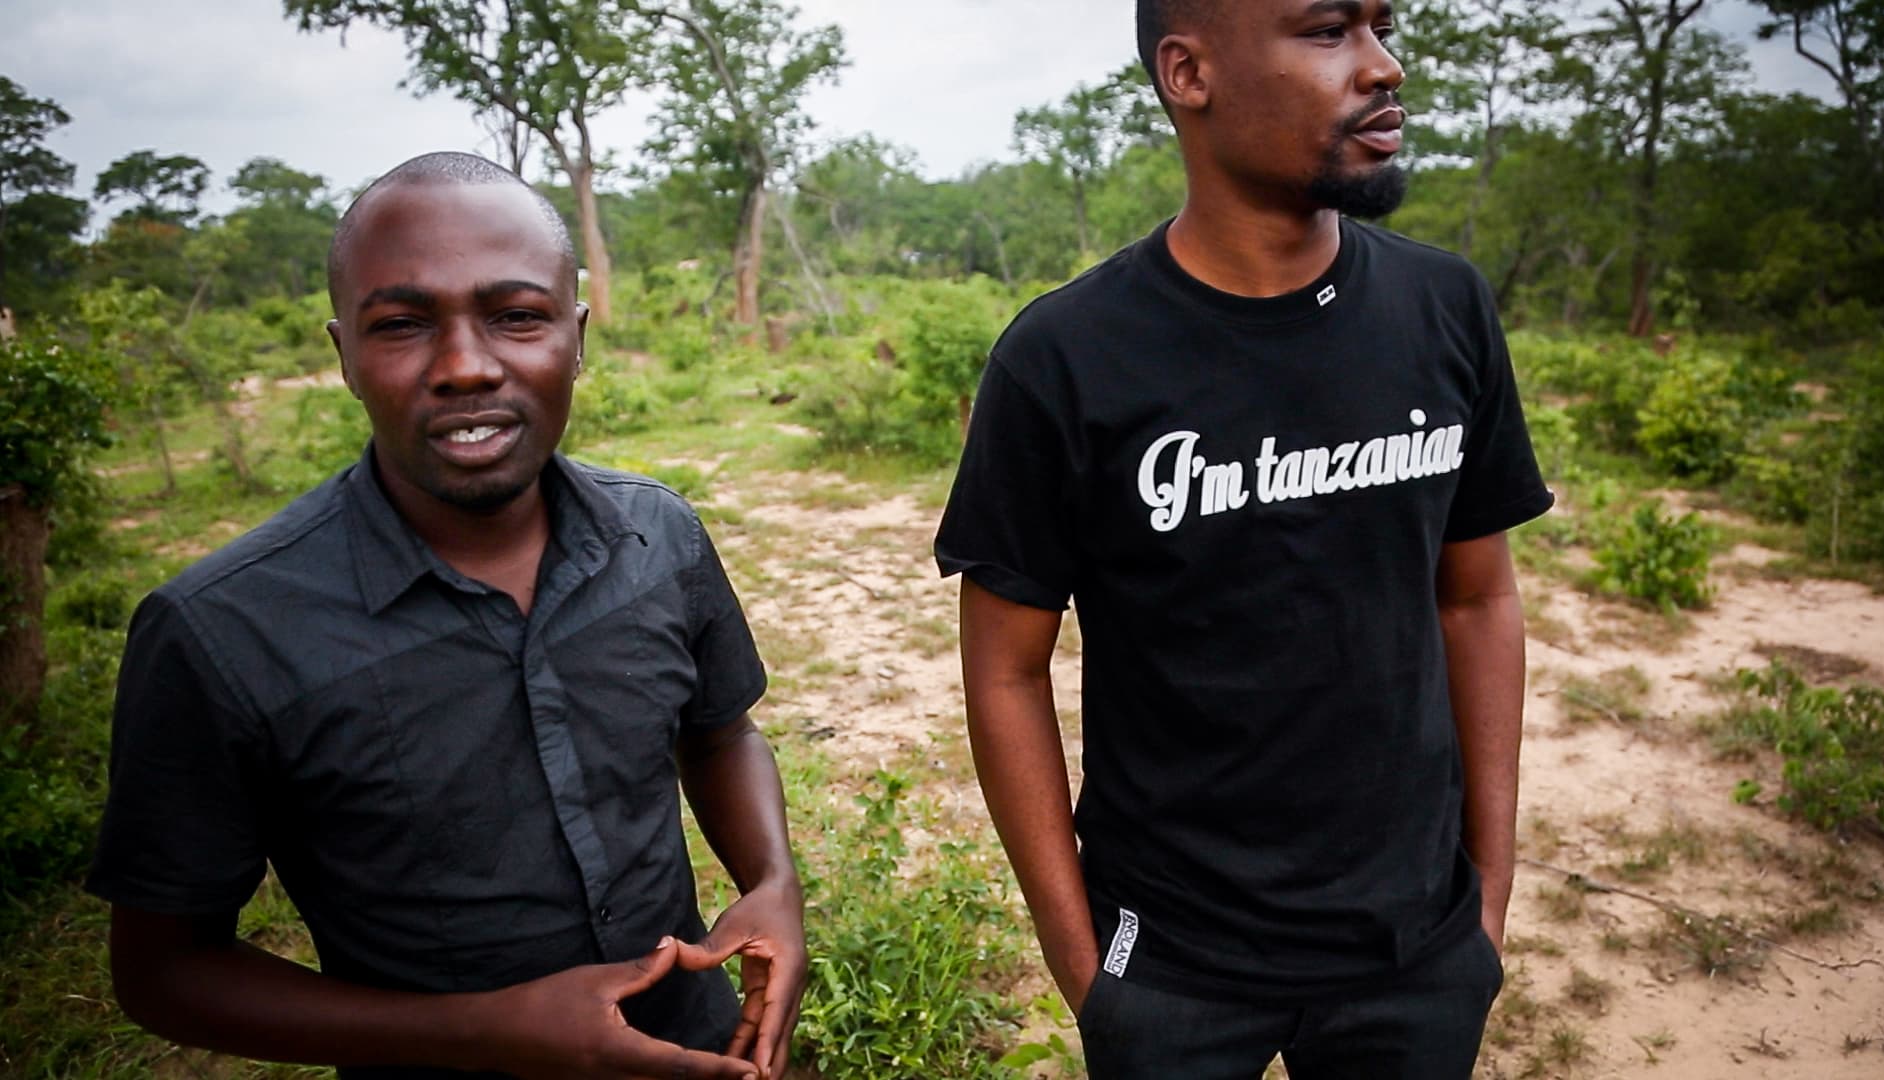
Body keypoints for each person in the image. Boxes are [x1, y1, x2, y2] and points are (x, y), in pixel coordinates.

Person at [934, 2, 1553, 1077]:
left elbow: (1477, 599)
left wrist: (1484, 908)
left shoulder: (1444, 307)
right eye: (1329, 30)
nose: (1383, 65)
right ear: (1189, 73)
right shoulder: (1064, 357)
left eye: (1382, 26)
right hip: (1170, 964)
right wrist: (1088, 971)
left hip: (1418, 947)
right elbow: (1006, 672)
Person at [86, 152, 803, 1080]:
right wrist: (482, 1031)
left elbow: (720, 733)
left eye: (517, 316)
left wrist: (772, 883)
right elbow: (164, 973)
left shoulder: (658, 537)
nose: (466, 366)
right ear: (343, 355)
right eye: (401, 325)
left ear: (577, 336)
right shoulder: (219, 633)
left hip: (698, 1041)